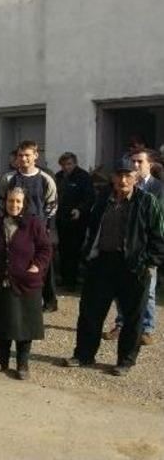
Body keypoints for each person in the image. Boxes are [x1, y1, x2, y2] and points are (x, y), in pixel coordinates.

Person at [64, 159, 164, 376]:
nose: (123, 179)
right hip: (102, 263)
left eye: (128, 175)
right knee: (90, 313)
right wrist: (88, 256)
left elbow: (158, 237)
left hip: (134, 266)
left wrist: (149, 262)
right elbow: (91, 229)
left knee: (133, 317)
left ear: (136, 177)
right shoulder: (102, 200)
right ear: (112, 178)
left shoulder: (147, 202)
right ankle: (83, 355)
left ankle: (125, 361)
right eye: (119, 175)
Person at [0, 188, 52, 380]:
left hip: (25, 283)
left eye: (18, 202)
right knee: (2, 322)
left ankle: (22, 364)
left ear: (24, 203)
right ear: (5, 202)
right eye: (11, 201)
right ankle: (2, 361)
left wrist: (37, 266)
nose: (14, 205)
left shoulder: (34, 224)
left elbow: (45, 248)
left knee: (24, 325)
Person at [104, 148, 163, 345]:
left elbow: (158, 221)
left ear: (150, 164)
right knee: (122, 290)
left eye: (140, 161)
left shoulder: (158, 188)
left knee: (149, 290)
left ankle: (146, 328)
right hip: (123, 248)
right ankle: (121, 324)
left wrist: (153, 253)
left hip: (145, 248)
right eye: (133, 162)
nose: (136, 165)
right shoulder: (120, 187)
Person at [0, 140, 59, 312]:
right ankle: (17, 298)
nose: (23, 159)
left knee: (41, 265)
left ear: (35, 156)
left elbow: (52, 204)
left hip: (37, 229)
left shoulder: (46, 178)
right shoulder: (8, 178)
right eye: (20, 155)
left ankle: (46, 300)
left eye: (27, 155)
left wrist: (41, 223)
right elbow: (1, 200)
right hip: (14, 229)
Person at [54, 152, 95, 291]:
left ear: (75, 163)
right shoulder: (59, 176)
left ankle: (71, 280)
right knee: (63, 249)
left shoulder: (83, 177)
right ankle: (65, 278)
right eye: (63, 164)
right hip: (61, 218)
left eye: (69, 164)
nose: (66, 167)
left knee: (74, 249)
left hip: (78, 220)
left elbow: (89, 197)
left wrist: (80, 209)